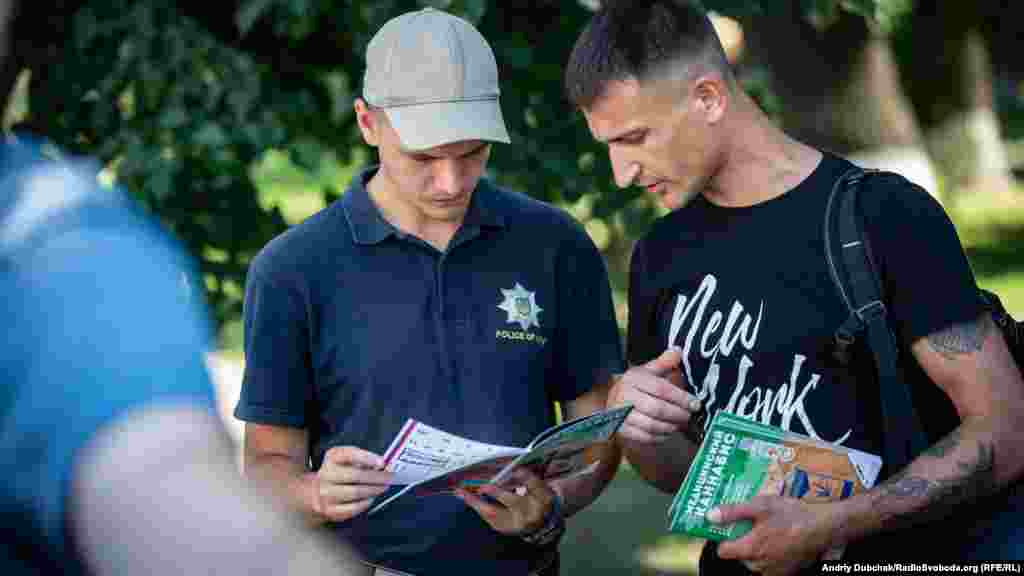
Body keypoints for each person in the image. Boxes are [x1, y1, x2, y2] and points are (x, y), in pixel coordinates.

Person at [563, 0, 1024, 573]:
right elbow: (681, 473)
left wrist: (832, 523)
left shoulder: (883, 214)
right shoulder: (659, 254)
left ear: (708, 98)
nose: (621, 173)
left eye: (635, 137)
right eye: (608, 145)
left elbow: (1006, 430)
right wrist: (640, 428)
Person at [233, 7, 624, 576]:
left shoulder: (555, 245)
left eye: (472, 153)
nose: (450, 182)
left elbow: (596, 439)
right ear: (367, 123)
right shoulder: (291, 270)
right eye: (423, 156)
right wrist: (314, 493)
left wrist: (550, 507)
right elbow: (267, 465)